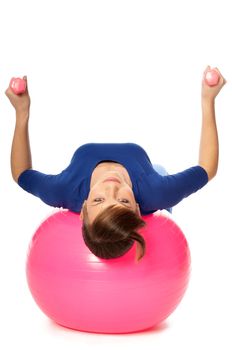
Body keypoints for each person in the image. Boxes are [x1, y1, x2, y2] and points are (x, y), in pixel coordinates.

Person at [5, 66, 226, 261]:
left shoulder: (64, 189)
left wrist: (21, 112)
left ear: (82, 210)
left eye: (99, 199)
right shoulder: (156, 192)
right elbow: (207, 168)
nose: (111, 187)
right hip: (152, 179)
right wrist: (208, 100)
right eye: (123, 200)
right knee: (162, 194)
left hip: (140, 183)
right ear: (138, 209)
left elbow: (20, 174)